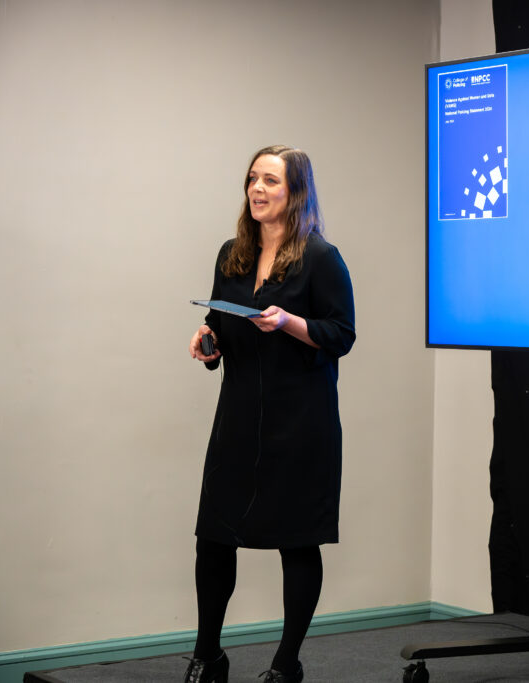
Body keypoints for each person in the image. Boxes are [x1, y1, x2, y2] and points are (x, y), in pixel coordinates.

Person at [185, 145, 355, 683]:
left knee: (295, 541)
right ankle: (208, 655)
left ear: (295, 192)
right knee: (214, 537)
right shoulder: (231, 254)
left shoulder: (320, 258)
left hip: (300, 425)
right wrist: (207, 341)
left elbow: (341, 335)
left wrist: (289, 323)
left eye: (271, 182)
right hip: (238, 422)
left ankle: (286, 665)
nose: (257, 190)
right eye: (253, 179)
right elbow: (219, 322)